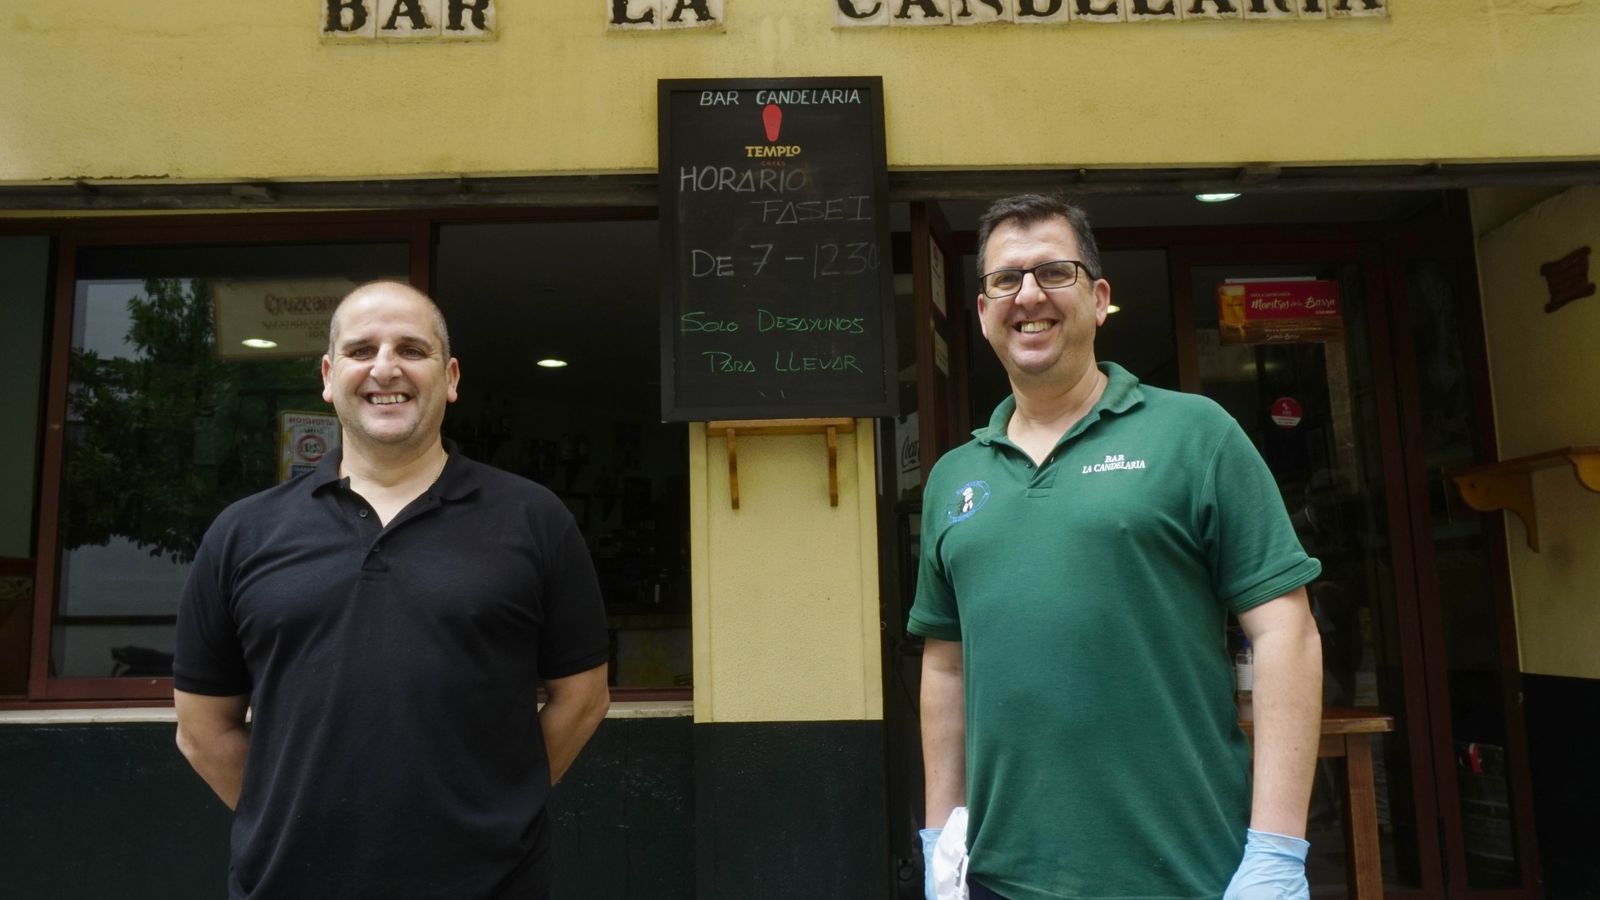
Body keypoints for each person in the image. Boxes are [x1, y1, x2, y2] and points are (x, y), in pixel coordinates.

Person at [910, 195, 1324, 900]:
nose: (1029, 295)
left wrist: (1277, 849)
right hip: (999, 878)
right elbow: (946, 667)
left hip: (1184, 873)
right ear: (982, 313)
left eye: (1054, 271)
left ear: (1099, 299)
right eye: (1005, 280)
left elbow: (1286, 628)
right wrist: (938, 836)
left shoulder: (1195, 434)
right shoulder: (955, 476)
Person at [173, 280, 611, 900]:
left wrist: (500, 812)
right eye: (360, 350)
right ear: (328, 376)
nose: (385, 367)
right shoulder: (243, 532)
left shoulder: (533, 519)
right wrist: (286, 820)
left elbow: (584, 699)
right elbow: (201, 728)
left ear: (450, 376)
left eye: (412, 348)